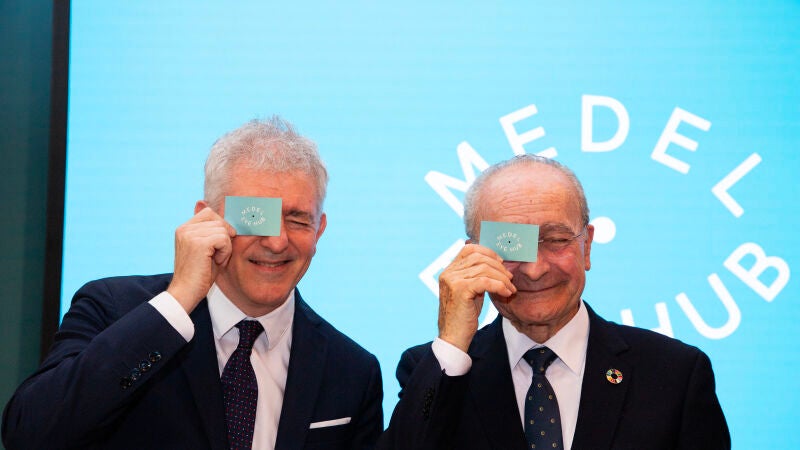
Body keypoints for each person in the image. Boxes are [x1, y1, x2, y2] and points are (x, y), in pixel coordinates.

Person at [2, 117, 383, 450]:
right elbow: (30, 433)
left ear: (320, 229)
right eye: (256, 216)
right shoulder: (113, 310)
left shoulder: (352, 370)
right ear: (206, 219)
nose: (277, 241)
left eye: (298, 220)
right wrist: (178, 300)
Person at [377, 155, 730, 450]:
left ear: (586, 246)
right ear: (473, 256)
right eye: (511, 244)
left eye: (556, 240)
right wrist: (454, 341)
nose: (534, 269)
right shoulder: (438, 370)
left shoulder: (675, 375)